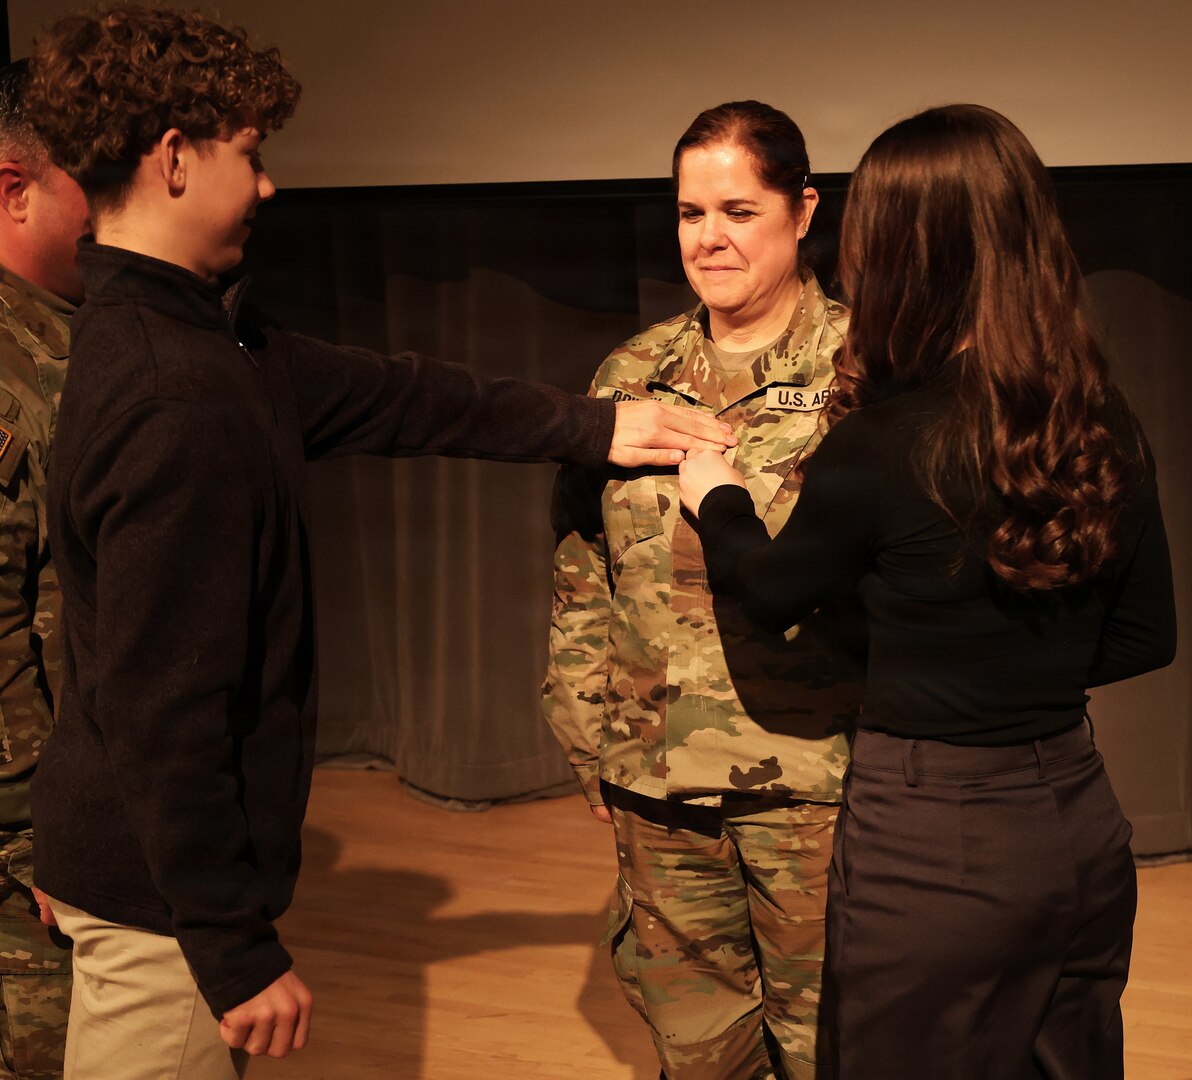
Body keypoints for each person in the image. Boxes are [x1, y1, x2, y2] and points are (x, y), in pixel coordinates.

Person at [20, 8, 732, 1079]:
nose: (266, 185)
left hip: (147, 881)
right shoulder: (174, 391)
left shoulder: (199, 341)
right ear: (173, 160)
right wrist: (231, 946)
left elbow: (403, 398)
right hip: (159, 902)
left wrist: (594, 425)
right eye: (248, 153)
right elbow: (160, 706)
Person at [678, 104, 1177, 1079]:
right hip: (1075, 822)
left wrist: (720, 496)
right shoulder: (1099, 419)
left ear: (903, 254)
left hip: (931, 843)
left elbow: (772, 590)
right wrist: (1007, 664)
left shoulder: (884, 443)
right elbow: (1143, 639)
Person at [543, 101, 862, 1080]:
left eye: (737, 209)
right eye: (690, 213)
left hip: (811, 780)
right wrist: (587, 731)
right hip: (656, 786)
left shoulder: (864, 369)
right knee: (698, 1047)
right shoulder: (634, 372)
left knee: (836, 1042)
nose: (709, 238)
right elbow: (580, 569)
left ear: (801, 210)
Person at [0, 58, 90, 1080]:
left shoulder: (69, 338)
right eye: (90, 183)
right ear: (15, 190)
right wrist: (40, 842)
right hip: (34, 854)